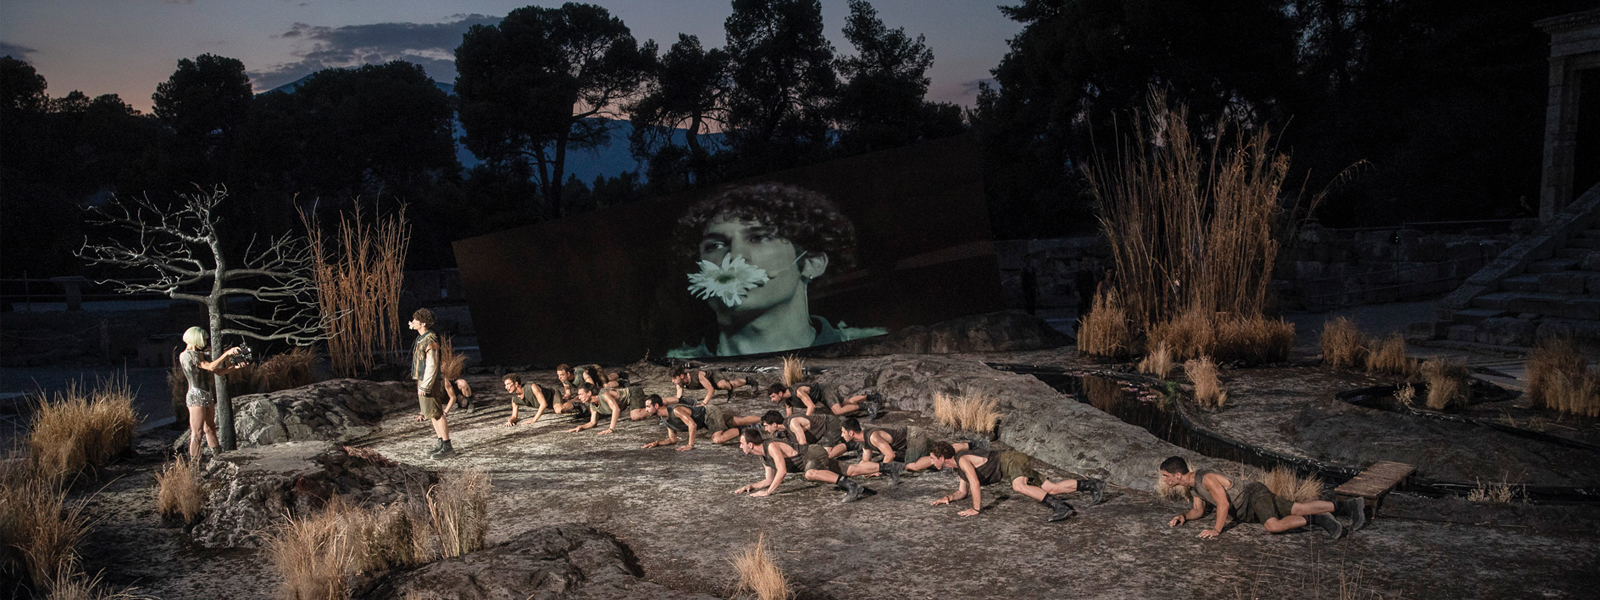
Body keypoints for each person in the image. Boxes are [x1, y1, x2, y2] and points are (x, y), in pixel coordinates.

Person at [669, 183, 886, 358]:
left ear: (812, 263)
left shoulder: (876, 351)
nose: (734, 256)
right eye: (715, 245)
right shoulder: (673, 369)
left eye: (759, 238)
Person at [1158, 456, 1364, 539]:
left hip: (1253, 495)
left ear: (1177, 475)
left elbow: (1223, 503)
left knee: (1273, 525)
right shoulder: (1192, 487)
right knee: (1297, 508)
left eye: (1166, 476)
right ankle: (1349, 506)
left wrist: (1216, 530)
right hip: (1247, 508)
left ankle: (1319, 519)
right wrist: (1184, 516)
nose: (1164, 480)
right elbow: (1198, 510)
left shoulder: (1206, 478)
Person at [926, 442, 1103, 522]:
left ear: (942, 458)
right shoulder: (958, 468)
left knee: (1018, 486)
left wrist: (976, 509)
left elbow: (975, 484)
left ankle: (1061, 508)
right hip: (1011, 465)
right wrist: (948, 497)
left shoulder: (962, 460)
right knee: (1051, 488)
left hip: (1010, 461)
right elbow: (963, 491)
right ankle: (1092, 485)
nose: (932, 462)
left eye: (933, 459)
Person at [731, 428, 871, 503]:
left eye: (742, 443)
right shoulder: (763, 457)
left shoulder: (771, 446)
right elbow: (768, 480)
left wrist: (768, 493)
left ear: (750, 445)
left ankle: (852, 486)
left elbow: (782, 471)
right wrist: (751, 486)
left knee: (810, 474)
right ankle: (889, 468)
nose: (740, 446)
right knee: (851, 470)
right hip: (810, 460)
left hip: (812, 453)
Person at [177, 326, 244, 461]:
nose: (206, 343)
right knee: (197, 432)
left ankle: (218, 458)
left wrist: (234, 367)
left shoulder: (201, 354)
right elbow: (211, 366)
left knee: (210, 428)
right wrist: (227, 353)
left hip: (207, 394)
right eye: (204, 340)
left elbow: (218, 371)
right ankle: (195, 464)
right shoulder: (186, 356)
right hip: (196, 395)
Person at [639, 394, 763, 450]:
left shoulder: (676, 410)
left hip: (709, 413)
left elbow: (692, 425)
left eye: (648, 407)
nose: (646, 410)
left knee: (718, 439)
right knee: (738, 421)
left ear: (656, 406)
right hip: (706, 420)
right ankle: (764, 421)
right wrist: (657, 443)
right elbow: (672, 440)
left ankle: (749, 428)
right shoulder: (665, 420)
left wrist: (690, 445)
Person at [410, 309, 456, 459]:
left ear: (422, 323)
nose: (413, 322)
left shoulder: (430, 340)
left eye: (415, 320)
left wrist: (426, 385)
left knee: (437, 413)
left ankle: (447, 446)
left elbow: (432, 364)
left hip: (429, 381)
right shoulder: (422, 339)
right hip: (423, 379)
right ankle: (441, 442)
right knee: (431, 414)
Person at [837, 419, 931, 483]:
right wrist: (863, 471)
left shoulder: (873, 437)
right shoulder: (864, 440)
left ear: (851, 433)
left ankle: (937, 459)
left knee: (911, 467)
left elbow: (890, 455)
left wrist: (879, 469)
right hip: (907, 443)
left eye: (843, 432)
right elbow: (865, 461)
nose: (842, 435)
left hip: (914, 436)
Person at [502, 373, 584, 426]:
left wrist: (534, 419)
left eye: (508, 384)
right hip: (549, 403)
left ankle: (577, 404)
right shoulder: (515, 400)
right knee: (560, 406)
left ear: (516, 384)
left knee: (559, 410)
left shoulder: (531, 386)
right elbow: (514, 416)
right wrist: (511, 421)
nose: (506, 387)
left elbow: (543, 404)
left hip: (553, 394)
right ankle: (574, 400)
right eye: (505, 385)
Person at [767, 382, 879, 418]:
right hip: (819, 397)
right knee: (848, 402)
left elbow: (811, 406)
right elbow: (789, 416)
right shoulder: (787, 401)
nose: (772, 400)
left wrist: (805, 421)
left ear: (780, 393)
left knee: (837, 411)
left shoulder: (798, 392)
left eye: (773, 396)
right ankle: (871, 397)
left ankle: (867, 406)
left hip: (824, 391)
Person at [762, 411, 845, 458]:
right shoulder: (785, 431)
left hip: (830, 424)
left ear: (774, 424)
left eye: (766, 426)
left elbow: (803, 443)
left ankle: (849, 445)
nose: (765, 429)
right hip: (822, 431)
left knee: (827, 455)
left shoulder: (793, 423)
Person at [670, 365, 757, 405]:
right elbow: (678, 397)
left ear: (681, 376)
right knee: (731, 383)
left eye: (674, 378)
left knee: (722, 385)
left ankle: (733, 389)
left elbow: (711, 390)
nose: (672, 381)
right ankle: (748, 380)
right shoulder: (680, 383)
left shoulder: (697, 375)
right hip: (707, 381)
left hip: (712, 374)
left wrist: (703, 404)